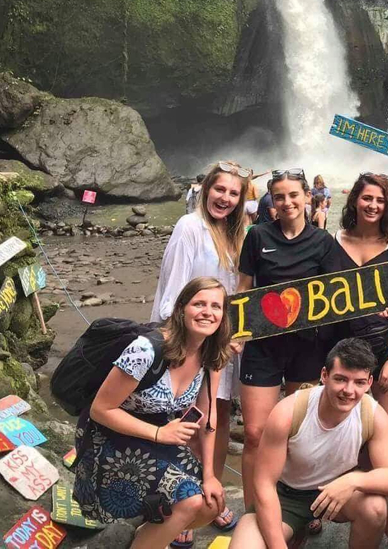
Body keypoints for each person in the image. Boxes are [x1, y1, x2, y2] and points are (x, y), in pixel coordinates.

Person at [75, 277, 232, 549]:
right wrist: (159, 433)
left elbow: (208, 420)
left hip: (159, 433)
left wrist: (210, 474)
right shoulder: (145, 350)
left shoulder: (211, 354)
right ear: (182, 308)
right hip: (109, 435)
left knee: (211, 504)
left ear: (223, 315)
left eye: (216, 306)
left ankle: (148, 537)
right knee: (190, 500)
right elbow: (101, 409)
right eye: (199, 304)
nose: (208, 312)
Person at [151, 160, 251, 534]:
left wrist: (236, 333)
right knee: (188, 418)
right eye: (219, 189)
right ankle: (182, 502)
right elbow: (172, 292)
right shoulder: (190, 227)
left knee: (218, 416)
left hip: (219, 341)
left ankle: (213, 495)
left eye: (233, 192)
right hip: (187, 338)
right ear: (206, 188)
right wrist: (185, 334)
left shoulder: (236, 232)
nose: (224, 198)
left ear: (241, 199)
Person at [237, 169, 347, 509]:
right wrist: (237, 335)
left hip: (307, 349)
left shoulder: (323, 242)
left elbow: (339, 296)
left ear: (307, 198)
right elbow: (243, 289)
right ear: (273, 199)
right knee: (255, 434)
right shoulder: (257, 236)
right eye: (280, 196)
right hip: (262, 346)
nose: (287, 202)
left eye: (294, 195)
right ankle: (255, 509)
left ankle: (300, 505)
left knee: (300, 434)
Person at [229, 339, 388, 549]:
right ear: (324, 376)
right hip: (286, 495)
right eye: (340, 379)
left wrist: (351, 482)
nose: (349, 390)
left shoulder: (372, 414)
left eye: (359, 382)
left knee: (375, 507)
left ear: (369, 383)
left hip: (335, 490)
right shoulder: (289, 411)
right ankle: (294, 531)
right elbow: (264, 483)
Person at [336, 172, 388, 417]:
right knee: (347, 432)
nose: (373, 206)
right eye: (367, 198)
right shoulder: (334, 241)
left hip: (386, 346)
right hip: (344, 347)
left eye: (380, 200)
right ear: (354, 201)